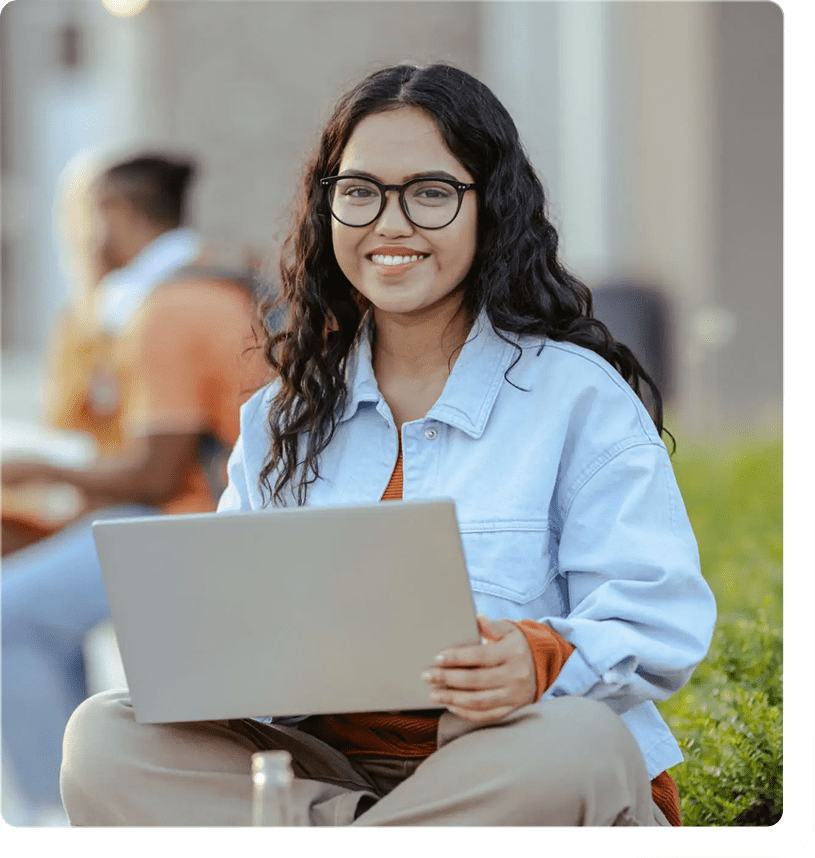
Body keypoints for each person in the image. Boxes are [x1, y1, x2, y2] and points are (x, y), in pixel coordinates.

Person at [60, 64, 716, 827]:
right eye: (361, 191)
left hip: (505, 758)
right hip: (329, 774)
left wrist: (539, 658)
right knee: (105, 737)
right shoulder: (280, 415)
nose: (390, 224)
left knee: (576, 744)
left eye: (430, 193)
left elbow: (659, 621)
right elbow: (236, 637)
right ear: (328, 206)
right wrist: (207, 660)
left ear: (489, 207)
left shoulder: (576, 397)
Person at [2, 153, 268, 826]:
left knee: (11, 614)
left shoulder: (169, 308)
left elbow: (154, 473)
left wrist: (40, 470)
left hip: (196, 527)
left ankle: (58, 816)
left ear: (112, 215)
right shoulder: (224, 279)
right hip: (231, 515)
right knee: (34, 601)